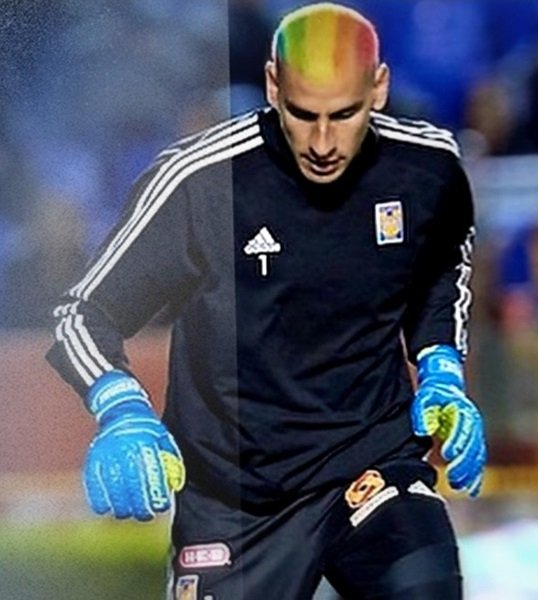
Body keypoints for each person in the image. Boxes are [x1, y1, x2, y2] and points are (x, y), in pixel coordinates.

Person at [45, 3, 486, 599]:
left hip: (372, 464)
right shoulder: (198, 182)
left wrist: (441, 368)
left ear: (378, 88)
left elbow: (441, 266)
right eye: (304, 115)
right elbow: (85, 313)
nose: (324, 142)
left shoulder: (428, 166)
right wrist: (121, 407)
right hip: (236, 498)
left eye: (345, 114)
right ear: (274, 85)